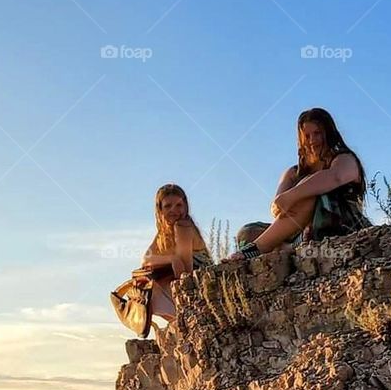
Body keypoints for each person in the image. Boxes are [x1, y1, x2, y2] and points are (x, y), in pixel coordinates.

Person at [232, 108, 370, 258]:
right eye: (307, 136)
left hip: (337, 224)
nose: (312, 141)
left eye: (317, 133)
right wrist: (280, 204)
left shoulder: (344, 159)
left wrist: (293, 196)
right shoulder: (293, 173)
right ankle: (288, 246)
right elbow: (278, 206)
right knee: (246, 232)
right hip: (297, 230)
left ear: (328, 133)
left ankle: (258, 249)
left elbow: (335, 177)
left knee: (309, 191)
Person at [134, 184, 213, 321]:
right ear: (160, 209)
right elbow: (146, 259)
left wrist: (174, 262)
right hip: (187, 282)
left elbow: (186, 275)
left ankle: (182, 322)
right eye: (168, 206)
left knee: (147, 289)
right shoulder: (164, 233)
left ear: (185, 207)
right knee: (142, 283)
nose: (174, 210)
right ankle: (178, 323)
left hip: (201, 282)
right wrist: (171, 259)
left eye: (178, 205)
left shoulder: (182, 226)